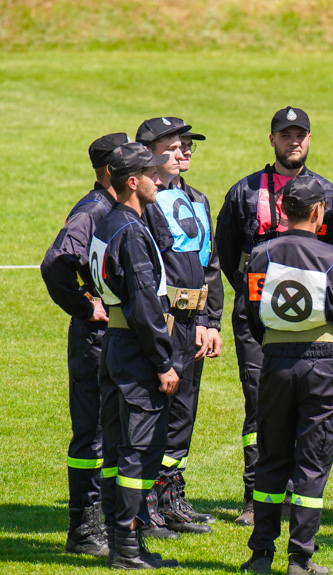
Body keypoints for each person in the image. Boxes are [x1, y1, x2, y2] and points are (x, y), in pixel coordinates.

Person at [215, 106, 333, 526]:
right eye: (285, 135)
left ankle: (296, 495)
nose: (294, 142)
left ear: (310, 139)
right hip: (258, 320)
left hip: (312, 327)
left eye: (301, 135)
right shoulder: (244, 192)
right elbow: (229, 249)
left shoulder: (329, 195)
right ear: (271, 139)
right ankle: (256, 497)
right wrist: (255, 300)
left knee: (306, 408)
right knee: (260, 404)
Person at [239, 174, 333, 575]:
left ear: (282, 211)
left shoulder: (260, 255)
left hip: (274, 360)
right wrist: (332, 349)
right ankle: (300, 559)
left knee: (271, 457)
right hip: (323, 363)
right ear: (318, 211)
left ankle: (260, 554)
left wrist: (276, 343)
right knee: (312, 462)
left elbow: (252, 315)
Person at [41, 131, 130, 558]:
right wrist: (82, 306)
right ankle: (83, 527)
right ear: (112, 170)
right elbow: (56, 263)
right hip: (94, 339)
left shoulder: (114, 208)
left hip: (111, 338)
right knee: (92, 433)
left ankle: (108, 522)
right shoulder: (92, 210)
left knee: (112, 431)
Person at [90, 142, 179, 569]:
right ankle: (127, 547)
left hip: (115, 347)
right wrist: (163, 361)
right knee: (139, 450)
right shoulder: (129, 230)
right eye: (151, 173)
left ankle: (124, 541)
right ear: (132, 182)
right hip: (136, 352)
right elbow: (145, 303)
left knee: (117, 449)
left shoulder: (110, 222)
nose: (158, 178)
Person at [135, 117, 223, 537]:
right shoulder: (143, 202)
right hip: (162, 321)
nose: (185, 151)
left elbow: (211, 265)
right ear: (149, 151)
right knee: (156, 408)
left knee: (184, 411)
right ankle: (145, 503)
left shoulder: (197, 198)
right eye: (175, 145)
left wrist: (209, 321)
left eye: (188, 144)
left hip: (194, 322)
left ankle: (171, 496)